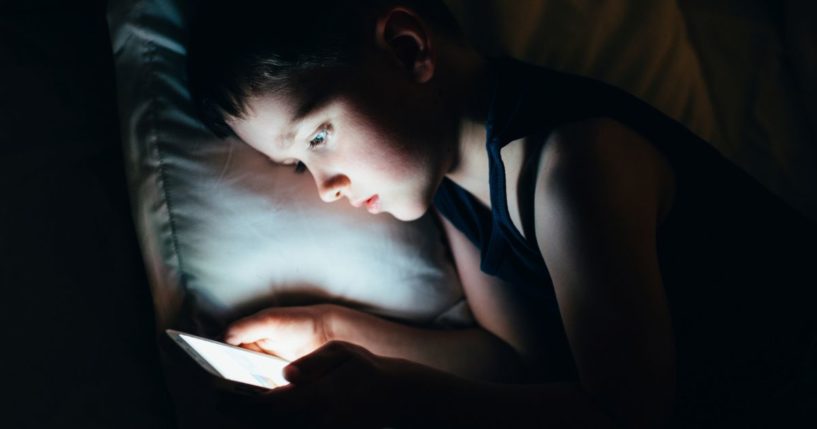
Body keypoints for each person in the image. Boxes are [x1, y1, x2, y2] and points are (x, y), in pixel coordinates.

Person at [187, 0, 817, 427]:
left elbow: (629, 413)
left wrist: (405, 398)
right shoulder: (456, 189)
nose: (325, 187)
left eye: (318, 138)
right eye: (299, 165)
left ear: (408, 52)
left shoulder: (575, 167)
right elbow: (513, 357)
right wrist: (329, 334)